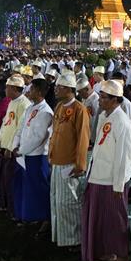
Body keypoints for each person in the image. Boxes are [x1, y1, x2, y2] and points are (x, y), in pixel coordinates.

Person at [82, 79, 131, 261]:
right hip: (98, 175)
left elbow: (124, 157)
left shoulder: (123, 122)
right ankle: (106, 251)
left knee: (116, 219)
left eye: (103, 98)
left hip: (113, 181)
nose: (100, 101)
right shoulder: (105, 116)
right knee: (100, 218)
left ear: (115, 100)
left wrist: (118, 185)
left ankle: (122, 257)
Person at [48, 71, 91, 250]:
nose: (56, 89)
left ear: (70, 89)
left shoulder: (79, 109)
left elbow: (83, 139)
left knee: (70, 203)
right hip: (57, 161)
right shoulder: (59, 106)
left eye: (60, 87)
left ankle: (75, 239)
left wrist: (80, 164)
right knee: (57, 200)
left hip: (70, 164)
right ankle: (62, 237)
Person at [12, 79, 54, 231]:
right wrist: (15, 145)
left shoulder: (46, 112)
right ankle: (31, 216)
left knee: (39, 188)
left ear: (40, 92)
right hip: (25, 154)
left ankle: (45, 219)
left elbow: (39, 137)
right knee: (29, 188)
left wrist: (20, 149)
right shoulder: (30, 108)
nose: (29, 91)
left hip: (37, 156)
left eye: (32, 89)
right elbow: (21, 128)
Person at [0, 76, 32, 214]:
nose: (5, 90)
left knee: (12, 181)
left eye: (7, 87)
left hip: (12, 150)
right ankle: (5, 204)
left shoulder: (24, 104)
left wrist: (11, 147)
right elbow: (6, 123)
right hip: (4, 146)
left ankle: (14, 209)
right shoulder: (11, 101)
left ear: (14, 89)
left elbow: (20, 129)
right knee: (3, 179)